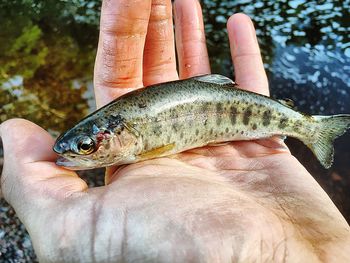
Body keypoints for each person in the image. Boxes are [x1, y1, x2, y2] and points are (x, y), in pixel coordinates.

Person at [1, 0, 349, 261]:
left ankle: (310, 128)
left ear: (116, 133)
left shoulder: (136, 140)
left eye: (87, 146)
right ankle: (309, 127)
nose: (78, 153)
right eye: (87, 147)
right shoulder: (125, 130)